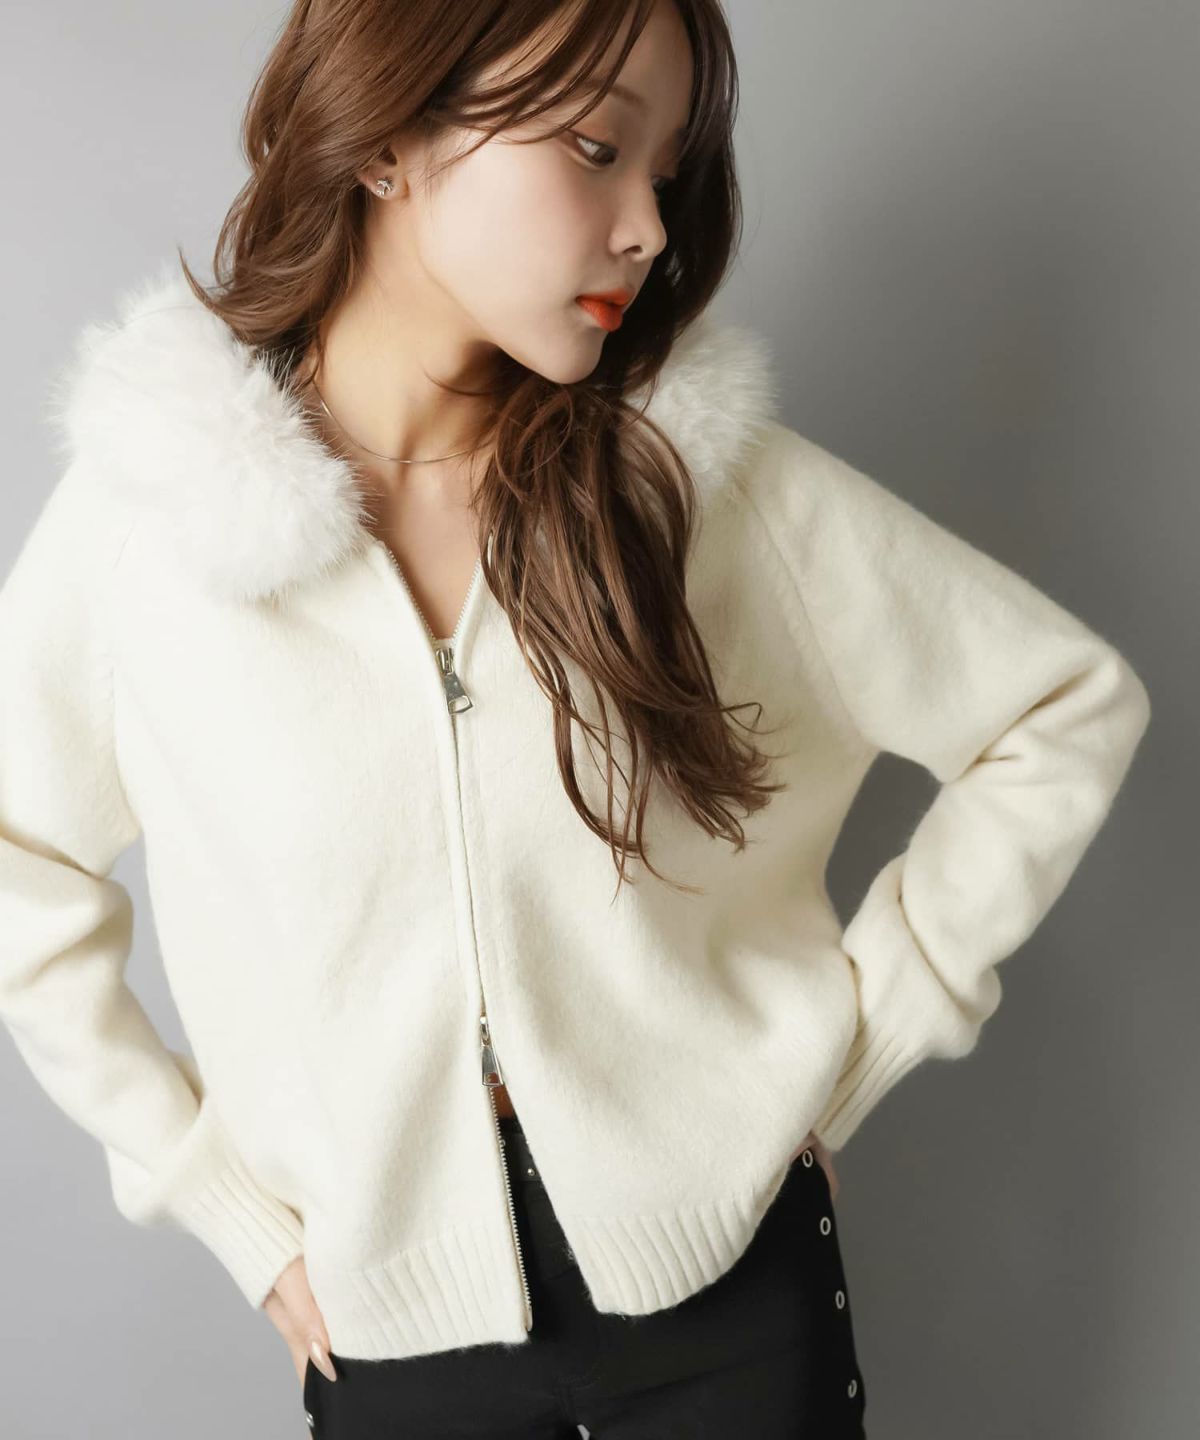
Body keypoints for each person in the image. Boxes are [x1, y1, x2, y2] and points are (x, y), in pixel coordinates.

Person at [1, 0, 1151, 1435]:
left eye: (665, 174)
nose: (649, 229)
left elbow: (1059, 705)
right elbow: (17, 861)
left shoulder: (689, 490)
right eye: (598, 149)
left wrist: (861, 1051)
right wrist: (227, 1206)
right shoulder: (156, 522)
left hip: (732, 1302)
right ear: (390, 136)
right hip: (397, 1335)